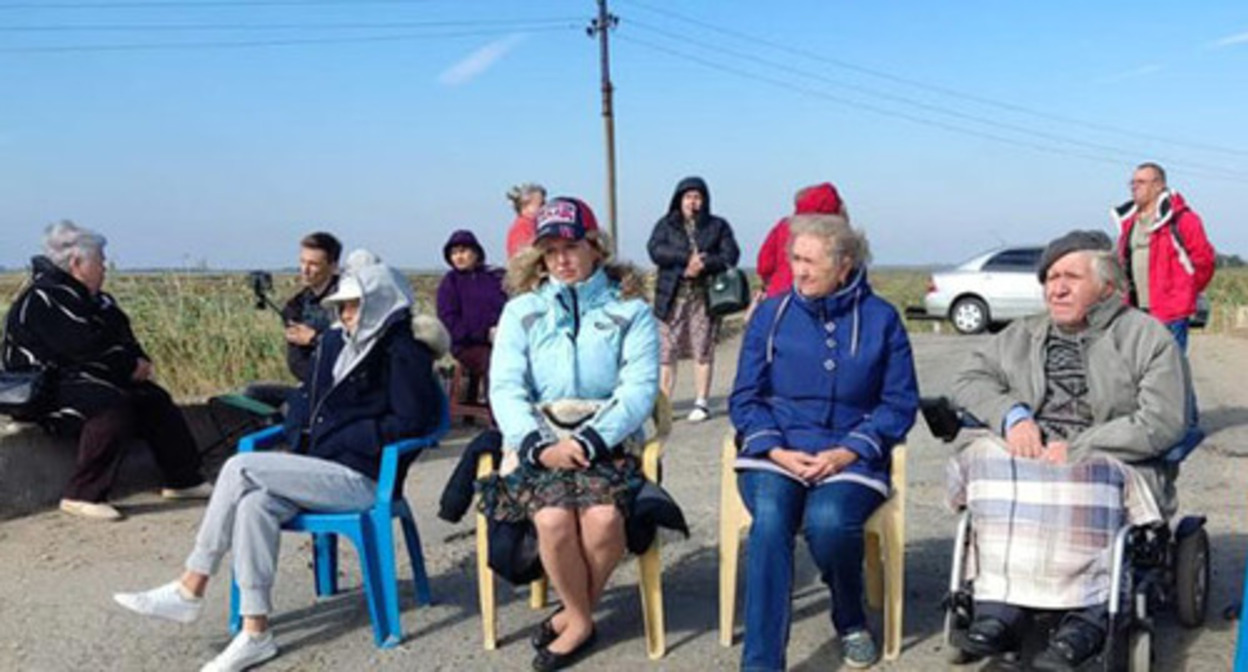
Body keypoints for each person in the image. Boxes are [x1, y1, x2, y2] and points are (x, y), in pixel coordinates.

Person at [113, 259, 444, 672]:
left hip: (364, 478)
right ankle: (256, 632)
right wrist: (294, 435)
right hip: (320, 470)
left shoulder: (402, 351)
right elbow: (305, 400)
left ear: (379, 302)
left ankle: (191, 585)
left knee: (239, 467)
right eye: (341, 307)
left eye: (353, 306)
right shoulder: (340, 345)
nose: (343, 315)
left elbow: (414, 422)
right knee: (255, 505)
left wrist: (348, 436)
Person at [949, 230, 1187, 671]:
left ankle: (1090, 617)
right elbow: (968, 380)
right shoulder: (1023, 334)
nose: (1055, 287)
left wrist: (1079, 447)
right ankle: (999, 609)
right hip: (1034, 453)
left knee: (1084, 479)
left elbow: (1164, 420)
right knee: (982, 461)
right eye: (1050, 277)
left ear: (1108, 286)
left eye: (1071, 277)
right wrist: (1012, 416)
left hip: (1111, 458)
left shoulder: (1147, 338)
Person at [729, 214, 918, 670]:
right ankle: (761, 664)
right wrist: (774, 449)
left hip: (849, 455)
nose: (799, 271)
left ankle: (850, 617)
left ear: (845, 265)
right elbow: (744, 397)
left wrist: (848, 451)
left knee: (830, 522)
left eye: (811, 262)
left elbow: (899, 403)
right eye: (795, 259)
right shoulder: (771, 316)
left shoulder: (881, 319)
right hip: (776, 453)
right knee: (771, 520)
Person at [486, 197, 659, 671]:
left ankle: (573, 616)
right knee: (552, 521)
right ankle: (582, 618)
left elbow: (639, 390)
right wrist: (537, 445)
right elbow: (504, 387)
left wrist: (588, 442)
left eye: (571, 246)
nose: (561, 258)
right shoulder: (522, 311)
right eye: (550, 249)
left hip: (607, 441)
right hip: (539, 443)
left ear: (595, 247)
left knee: (604, 520)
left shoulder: (632, 312)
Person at [1, 221, 211, 521]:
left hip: (86, 378)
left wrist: (138, 361)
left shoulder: (98, 300)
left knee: (153, 399)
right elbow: (82, 349)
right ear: (76, 263)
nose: (105, 267)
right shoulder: (44, 298)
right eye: (100, 260)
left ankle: (183, 480)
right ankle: (81, 494)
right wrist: (127, 366)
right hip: (43, 388)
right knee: (110, 404)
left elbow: (123, 337)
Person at [647, 176, 740, 422]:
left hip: (704, 298)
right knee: (667, 352)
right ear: (679, 199)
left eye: (697, 197)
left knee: (703, 349)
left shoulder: (718, 226)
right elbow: (655, 250)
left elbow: (731, 254)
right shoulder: (665, 225)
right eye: (688, 197)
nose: (693, 202)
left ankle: (701, 402)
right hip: (672, 296)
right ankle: (664, 404)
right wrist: (685, 261)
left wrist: (704, 263)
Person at [1112, 162, 1215, 354]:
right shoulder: (1129, 221)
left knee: (1171, 370)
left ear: (1158, 186)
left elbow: (1205, 261)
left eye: (1141, 182)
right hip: (1136, 310)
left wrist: (1183, 292)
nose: (1134, 187)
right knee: (1139, 369)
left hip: (1170, 312)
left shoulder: (1182, 219)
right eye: (1132, 182)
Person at [436, 229, 507, 406]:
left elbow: (505, 308)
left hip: (500, 338)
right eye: (454, 253)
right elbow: (450, 322)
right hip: (465, 345)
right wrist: (484, 334)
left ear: (476, 253)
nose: (459, 257)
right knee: (496, 362)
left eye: (463, 251)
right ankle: (498, 415)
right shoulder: (449, 283)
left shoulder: (493, 278)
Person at [756, 182, 848, 299]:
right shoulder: (841, 232)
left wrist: (769, 284)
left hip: (779, 294)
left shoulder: (784, 226)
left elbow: (764, 265)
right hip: (828, 298)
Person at [280, 232, 342, 384]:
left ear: (333, 266)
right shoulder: (295, 306)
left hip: (342, 387)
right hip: (310, 385)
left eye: (313, 264)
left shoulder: (347, 301)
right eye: (302, 262)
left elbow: (355, 350)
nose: (305, 270)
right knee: (252, 393)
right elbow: (296, 361)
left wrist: (315, 339)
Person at [505, 182, 548, 259]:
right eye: (541, 204)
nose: (546, 206)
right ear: (525, 206)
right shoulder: (521, 228)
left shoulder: (535, 225)